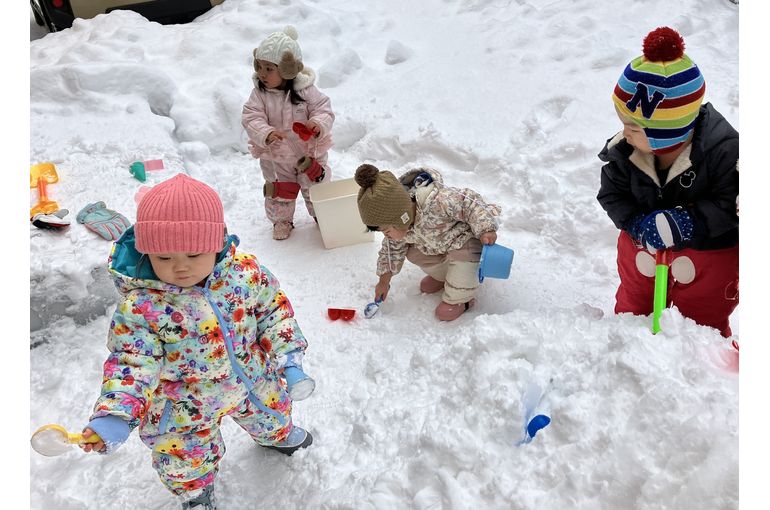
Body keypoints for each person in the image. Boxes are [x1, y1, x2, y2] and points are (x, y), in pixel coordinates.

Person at [79, 174, 315, 510]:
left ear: (216, 242)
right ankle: (195, 492)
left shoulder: (244, 275)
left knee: (272, 412)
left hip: (251, 379)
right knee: (184, 457)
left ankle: (275, 436)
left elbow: (273, 312)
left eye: (193, 254)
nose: (180, 267)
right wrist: (115, 414)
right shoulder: (142, 306)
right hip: (183, 405)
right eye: (163, 258)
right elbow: (131, 362)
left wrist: (288, 358)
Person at [597, 27, 738, 337]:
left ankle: (697, 353)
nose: (625, 132)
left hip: (706, 258)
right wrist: (635, 224)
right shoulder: (625, 152)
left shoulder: (724, 152)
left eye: (634, 127)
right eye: (623, 123)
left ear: (667, 133)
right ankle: (628, 341)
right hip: (642, 255)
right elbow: (612, 195)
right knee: (634, 306)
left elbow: (732, 203)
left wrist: (689, 222)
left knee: (700, 323)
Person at [355, 163, 501, 321]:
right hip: (441, 249)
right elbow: (390, 253)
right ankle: (446, 277)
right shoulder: (403, 229)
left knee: (446, 307)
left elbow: (470, 204)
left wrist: (486, 229)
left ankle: (461, 300)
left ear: (401, 218)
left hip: (465, 245)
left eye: (387, 230)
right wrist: (384, 281)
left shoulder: (438, 202)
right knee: (413, 252)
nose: (386, 235)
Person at [242, 25, 335, 241]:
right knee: (280, 190)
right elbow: (251, 116)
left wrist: (318, 123)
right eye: (259, 66)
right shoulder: (260, 94)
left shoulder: (306, 90)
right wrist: (265, 132)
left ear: (287, 70)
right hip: (276, 155)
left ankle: (322, 214)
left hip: (308, 152)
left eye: (269, 69)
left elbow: (323, 109)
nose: (262, 73)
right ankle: (282, 220)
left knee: (316, 185)